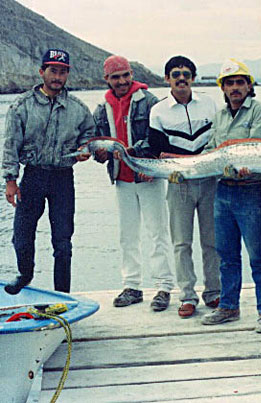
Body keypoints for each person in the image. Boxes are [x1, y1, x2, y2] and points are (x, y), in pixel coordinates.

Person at [2, 49, 94, 294]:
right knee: (22, 235)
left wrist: (86, 149)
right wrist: (10, 180)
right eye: (53, 70)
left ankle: (63, 292)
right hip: (32, 176)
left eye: (63, 72)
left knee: (63, 241)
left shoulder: (78, 109)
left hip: (63, 179)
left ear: (67, 75)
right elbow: (10, 144)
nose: (57, 76)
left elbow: (89, 135)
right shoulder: (21, 106)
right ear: (42, 72)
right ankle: (25, 274)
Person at [92, 55, 175, 311]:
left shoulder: (149, 101)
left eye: (126, 75)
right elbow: (97, 145)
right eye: (116, 77)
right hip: (122, 178)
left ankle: (163, 286)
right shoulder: (100, 108)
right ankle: (132, 285)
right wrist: (99, 154)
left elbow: (161, 139)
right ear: (107, 79)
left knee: (157, 231)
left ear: (131, 75)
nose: (122, 81)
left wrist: (151, 164)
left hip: (148, 175)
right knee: (127, 235)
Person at [200, 59, 261, 333]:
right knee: (226, 254)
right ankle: (229, 306)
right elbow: (211, 149)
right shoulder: (219, 116)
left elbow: (256, 148)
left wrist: (245, 163)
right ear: (222, 87)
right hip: (222, 191)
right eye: (229, 83)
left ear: (249, 85)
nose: (235, 88)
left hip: (250, 192)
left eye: (240, 82)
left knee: (258, 255)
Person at [148, 56, 220, 318]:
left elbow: (217, 139)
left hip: (210, 180)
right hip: (178, 183)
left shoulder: (209, 103)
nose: (181, 78)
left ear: (194, 77)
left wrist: (199, 161)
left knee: (212, 241)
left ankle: (214, 292)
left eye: (186, 74)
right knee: (181, 243)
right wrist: (185, 161)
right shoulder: (158, 111)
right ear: (167, 78)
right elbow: (158, 151)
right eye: (175, 74)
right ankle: (187, 296)